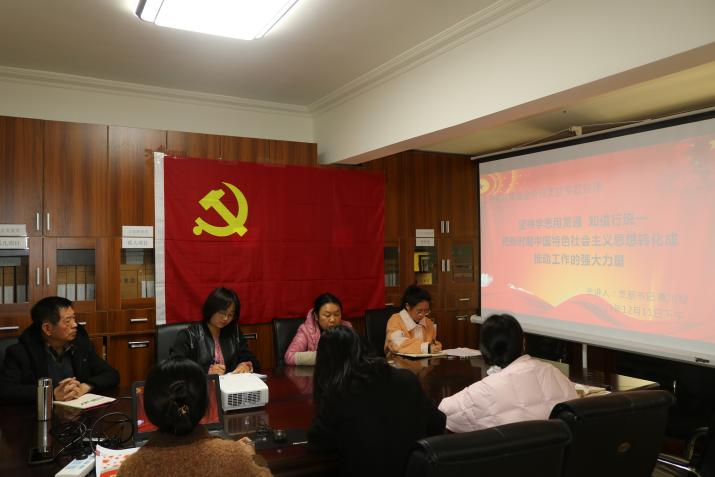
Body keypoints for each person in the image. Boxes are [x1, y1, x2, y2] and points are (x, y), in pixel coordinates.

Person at [309, 326, 445, 477]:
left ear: (325, 364)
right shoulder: (407, 379)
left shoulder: (338, 394)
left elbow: (318, 443)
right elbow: (438, 422)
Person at [117, 357, 271, 477]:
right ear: (205, 404)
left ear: (148, 407)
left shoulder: (131, 469)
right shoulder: (234, 456)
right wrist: (252, 458)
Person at [438, 314, 577, 432]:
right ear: (523, 342)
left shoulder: (485, 389)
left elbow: (444, 413)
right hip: (557, 453)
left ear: (485, 350)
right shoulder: (553, 371)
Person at [0, 296, 119, 403]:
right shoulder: (20, 352)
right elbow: (6, 390)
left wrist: (85, 387)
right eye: (68, 321)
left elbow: (111, 374)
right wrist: (51, 394)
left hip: (78, 413)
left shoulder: (80, 342)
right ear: (47, 329)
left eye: (74, 318)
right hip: (38, 416)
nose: (75, 325)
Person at [170, 287, 259, 375]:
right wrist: (207, 371)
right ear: (211, 308)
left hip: (231, 383)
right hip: (201, 383)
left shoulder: (234, 332)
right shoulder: (189, 335)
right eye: (222, 313)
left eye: (230, 315)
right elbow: (174, 366)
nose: (225, 318)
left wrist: (247, 365)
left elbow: (251, 359)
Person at [284, 292, 353, 366]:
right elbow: (289, 357)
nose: (332, 320)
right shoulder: (306, 330)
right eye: (327, 315)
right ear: (316, 316)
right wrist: (325, 356)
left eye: (337, 314)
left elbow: (356, 353)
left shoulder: (347, 327)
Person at [384, 285, 442, 355]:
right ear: (408, 306)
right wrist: (427, 348)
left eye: (426, 311)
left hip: (424, 360)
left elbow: (432, 343)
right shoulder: (395, 320)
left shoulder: (428, 322)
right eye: (419, 311)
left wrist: (436, 346)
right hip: (398, 360)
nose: (423, 315)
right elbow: (397, 343)